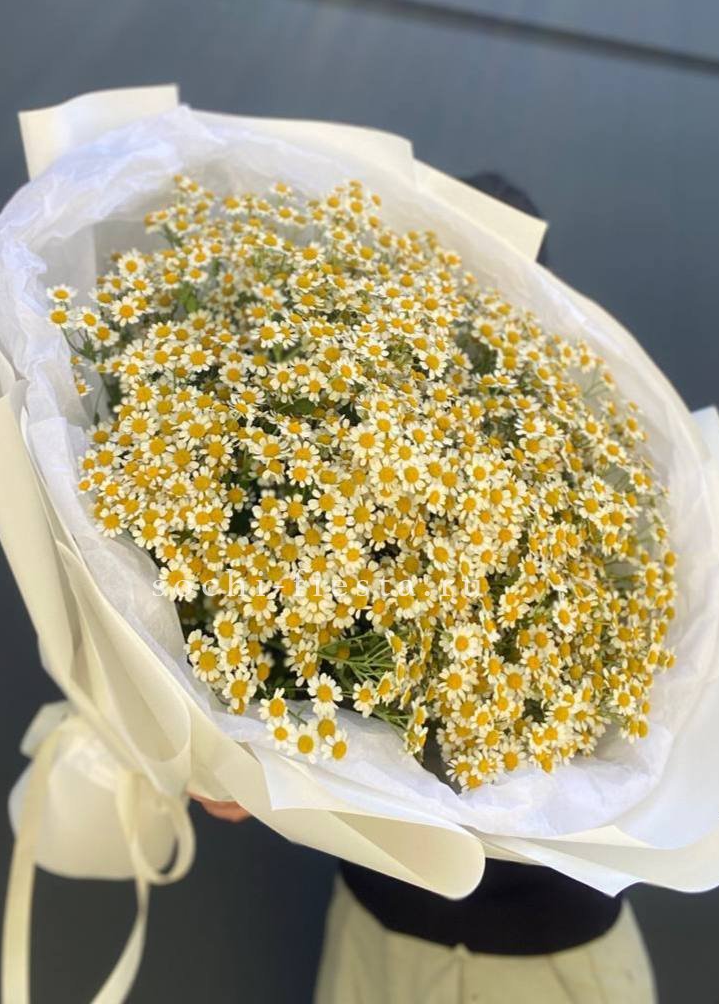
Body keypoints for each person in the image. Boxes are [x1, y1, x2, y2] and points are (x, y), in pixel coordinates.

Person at [191, 176, 656, 1004]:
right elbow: (290, 673)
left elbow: (625, 735)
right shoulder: (343, 450)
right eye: (437, 277)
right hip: (378, 930)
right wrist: (233, 752)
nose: (458, 310)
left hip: (548, 957)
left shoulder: (598, 486)